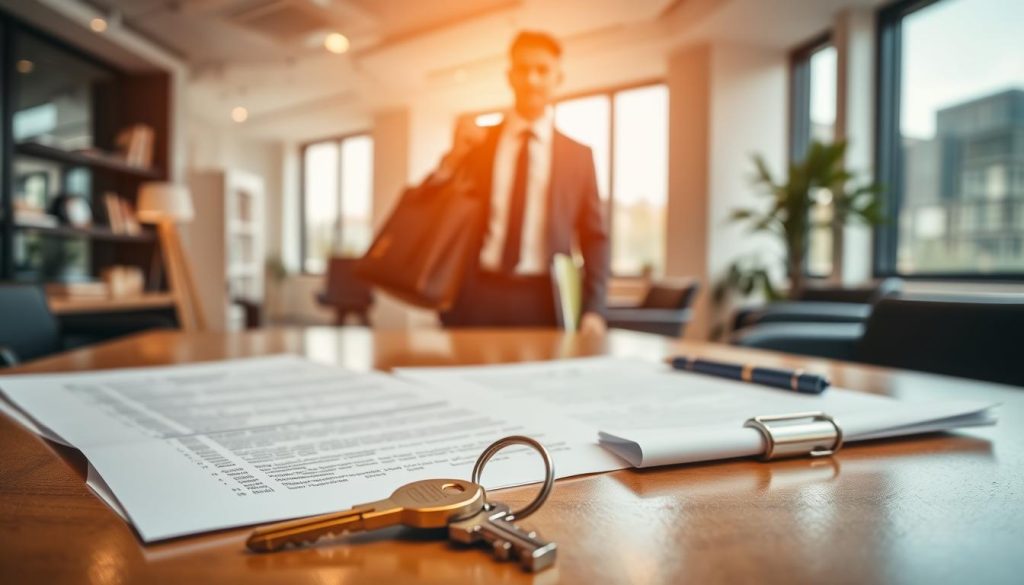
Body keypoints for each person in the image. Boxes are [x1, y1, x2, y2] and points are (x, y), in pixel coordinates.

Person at [436, 30, 610, 335]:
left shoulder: (579, 157)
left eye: (542, 70)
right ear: (509, 76)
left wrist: (594, 308)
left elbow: (595, 237)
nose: (532, 80)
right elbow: (437, 208)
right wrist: (452, 160)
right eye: (523, 69)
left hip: (544, 301)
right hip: (476, 295)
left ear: (558, 77)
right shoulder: (478, 144)